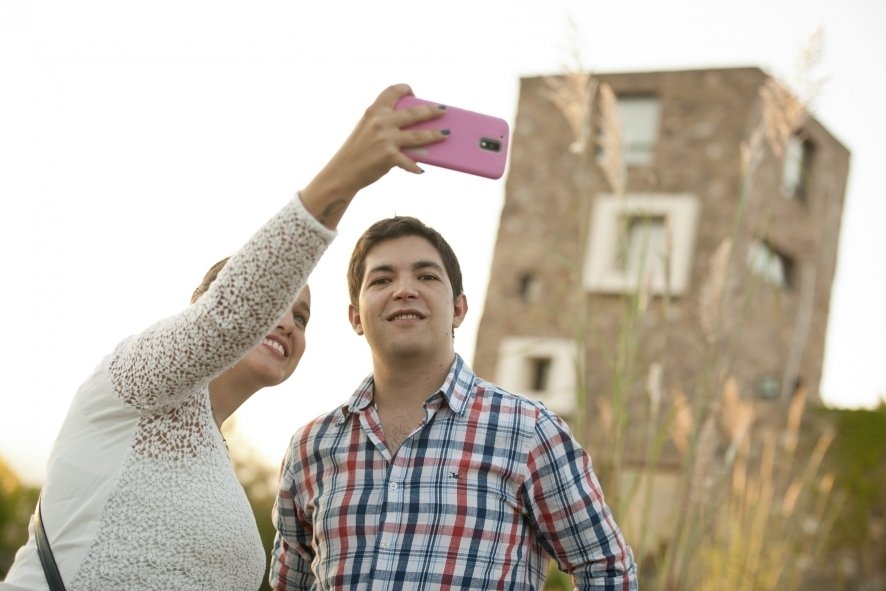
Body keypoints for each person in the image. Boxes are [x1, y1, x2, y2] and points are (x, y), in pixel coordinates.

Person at [0, 84, 448, 591]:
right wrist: (347, 173)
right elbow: (232, 314)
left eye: (301, 318)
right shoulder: (132, 381)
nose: (286, 323)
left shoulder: (220, 464)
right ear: (206, 305)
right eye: (274, 303)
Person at [270, 216, 639, 589]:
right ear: (355, 317)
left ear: (459, 309)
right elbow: (290, 582)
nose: (404, 290)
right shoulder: (310, 448)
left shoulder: (529, 431)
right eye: (382, 280)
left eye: (426, 276)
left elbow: (607, 569)